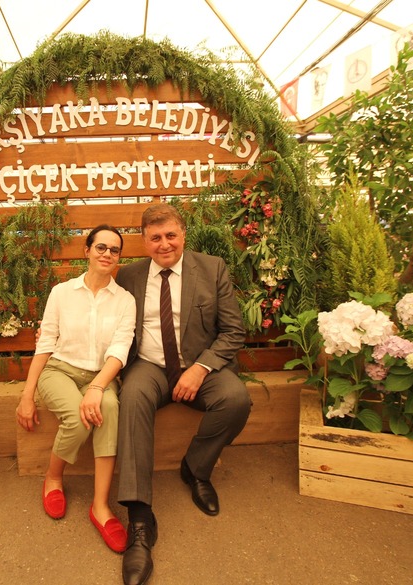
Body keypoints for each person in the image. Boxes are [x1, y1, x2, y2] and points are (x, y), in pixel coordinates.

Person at [114, 203, 252, 585]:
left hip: (200, 366)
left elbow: (233, 331)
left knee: (236, 400)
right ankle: (139, 519)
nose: (164, 244)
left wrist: (200, 367)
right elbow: (104, 318)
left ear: (183, 234)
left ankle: (196, 469)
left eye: (171, 235)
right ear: (144, 241)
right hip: (149, 366)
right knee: (132, 398)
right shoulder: (128, 276)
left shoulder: (212, 268)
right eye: (155, 237)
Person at [16, 224, 136, 553]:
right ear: (87, 251)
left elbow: (120, 349)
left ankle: (101, 507)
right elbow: (46, 344)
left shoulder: (125, 301)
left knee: (108, 407)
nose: (107, 254)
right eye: (101, 247)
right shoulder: (62, 293)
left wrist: (98, 386)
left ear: (119, 257)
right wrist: (27, 395)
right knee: (77, 417)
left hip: (102, 375)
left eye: (114, 250)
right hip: (60, 370)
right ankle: (54, 477)